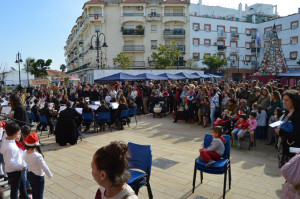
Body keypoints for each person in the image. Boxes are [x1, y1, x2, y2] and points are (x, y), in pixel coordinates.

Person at [0, 122, 28, 199]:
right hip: (14, 171)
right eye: (19, 133)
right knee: (14, 189)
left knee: (22, 185)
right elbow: (10, 164)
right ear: (16, 133)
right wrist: (22, 166)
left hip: (18, 169)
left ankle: (24, 197)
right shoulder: (10, 147)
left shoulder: (7, 140)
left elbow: (2, 151)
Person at [275, 90, 300, 168]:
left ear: (294, 101)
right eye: (283, 100)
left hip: (293, 150)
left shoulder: (298, 115)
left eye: (287, 100)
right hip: (283, 148)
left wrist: (281, 132)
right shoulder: (287, 111)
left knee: (291, 174)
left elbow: (297, 135)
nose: (284, 102)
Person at [24, 133, 53, 199]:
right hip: (38, 177)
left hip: (29, 175)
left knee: (34, 191)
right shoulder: (38, 156)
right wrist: (50, 175)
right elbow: (44, 167)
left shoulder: (24, 153)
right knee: (39, 194)